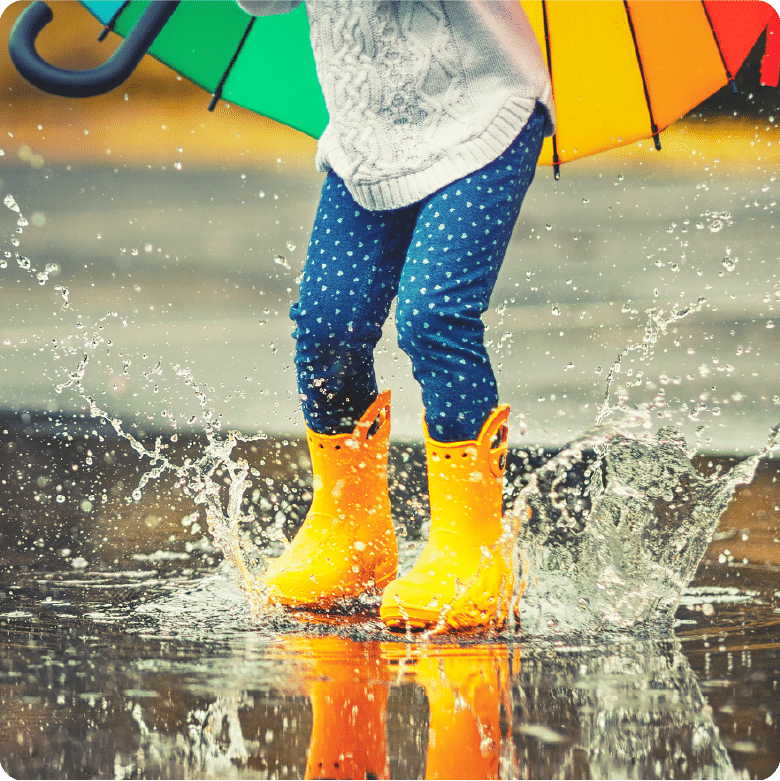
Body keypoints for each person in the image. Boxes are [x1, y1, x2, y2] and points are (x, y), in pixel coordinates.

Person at [237, 0, 555, 632]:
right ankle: (352, 534)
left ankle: (472, 548)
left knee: (434, 317)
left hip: (482, 111)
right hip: (369, 137)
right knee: (329, 327)